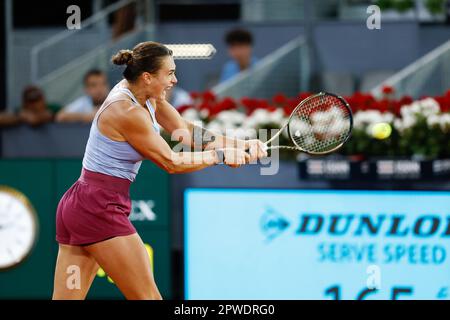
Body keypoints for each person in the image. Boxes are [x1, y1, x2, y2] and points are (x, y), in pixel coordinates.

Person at [52, 41, 267, 300]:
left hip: (80, 206)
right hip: (98, 208)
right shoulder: (126, 112)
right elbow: (171, 162)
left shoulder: (148, 96)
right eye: (170, 73)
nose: (175, 80)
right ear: (147, 77)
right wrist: (220, 156)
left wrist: (239, 144)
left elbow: (186, 133)